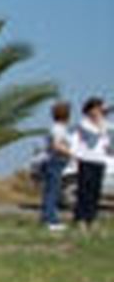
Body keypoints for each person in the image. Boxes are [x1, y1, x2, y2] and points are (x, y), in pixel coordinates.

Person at [72, 97, 110, 229]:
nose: (100, 111)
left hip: (99, 161)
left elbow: (106, 141)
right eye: (97, 108)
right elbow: (93, 138)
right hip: (86, 160)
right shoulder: (84, 124)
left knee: (95, 192)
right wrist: (100, 123)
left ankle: (92, 218)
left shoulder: (105, 124)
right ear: (90, 110)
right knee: (84, 191)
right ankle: (81, 218)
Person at [39, 101, 75, 230]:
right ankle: (51, 220)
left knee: (50, 191)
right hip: (55, 161)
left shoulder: (58, 128)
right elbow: (56, 145)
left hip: (55, 161)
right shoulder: (58, 129)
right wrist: (72, 153)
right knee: (52, 192)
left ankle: (46, 218)